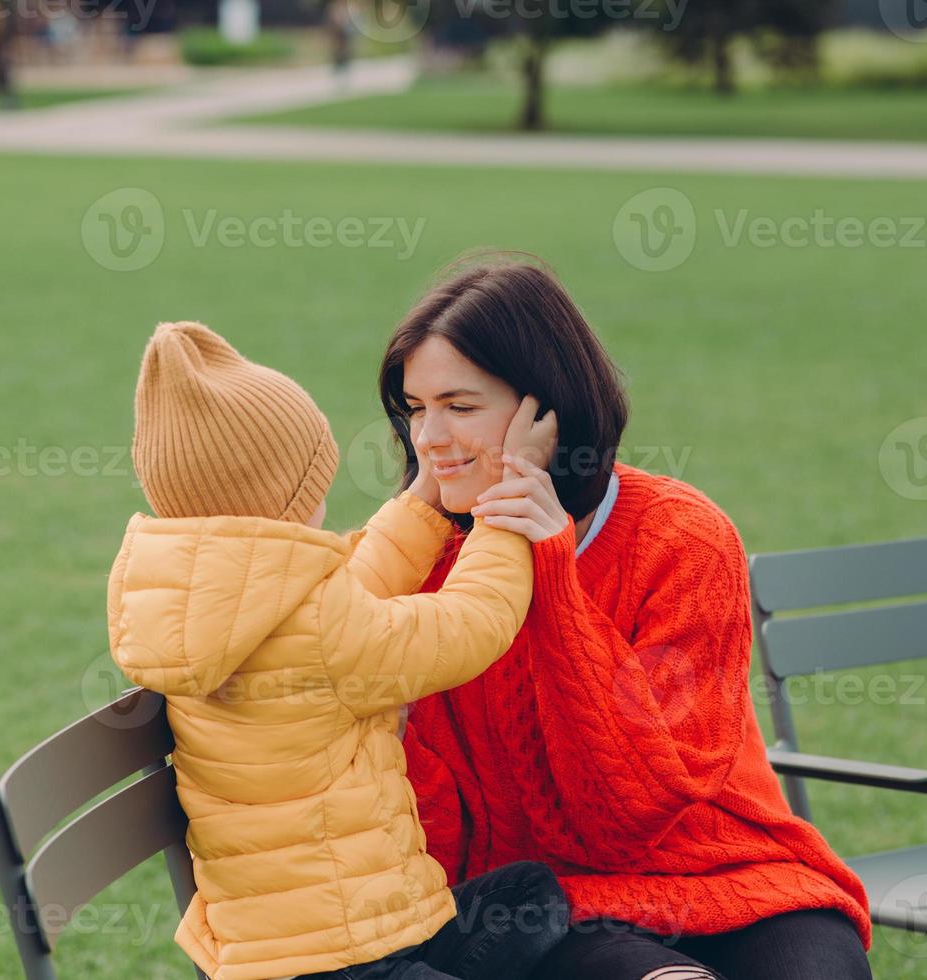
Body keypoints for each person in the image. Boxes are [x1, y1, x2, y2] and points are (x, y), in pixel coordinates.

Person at [381, 255, 873, 979]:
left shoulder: (682, 538)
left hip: (729, 871)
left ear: (544, 411)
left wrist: (551, 575)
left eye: (459, 406)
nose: (429, 440)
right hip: (553, 901)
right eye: (415, 409)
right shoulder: (420, 561)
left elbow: (636, 807)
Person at [107, 320, 566, 980]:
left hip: (314, 937)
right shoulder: (315, 630)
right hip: (334, 961)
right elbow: (470, 623)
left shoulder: (205, 592)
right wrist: (504, 499)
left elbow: (354, 588)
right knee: (528, 908)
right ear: (290, 496)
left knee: (527, 897)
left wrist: (424, 500)